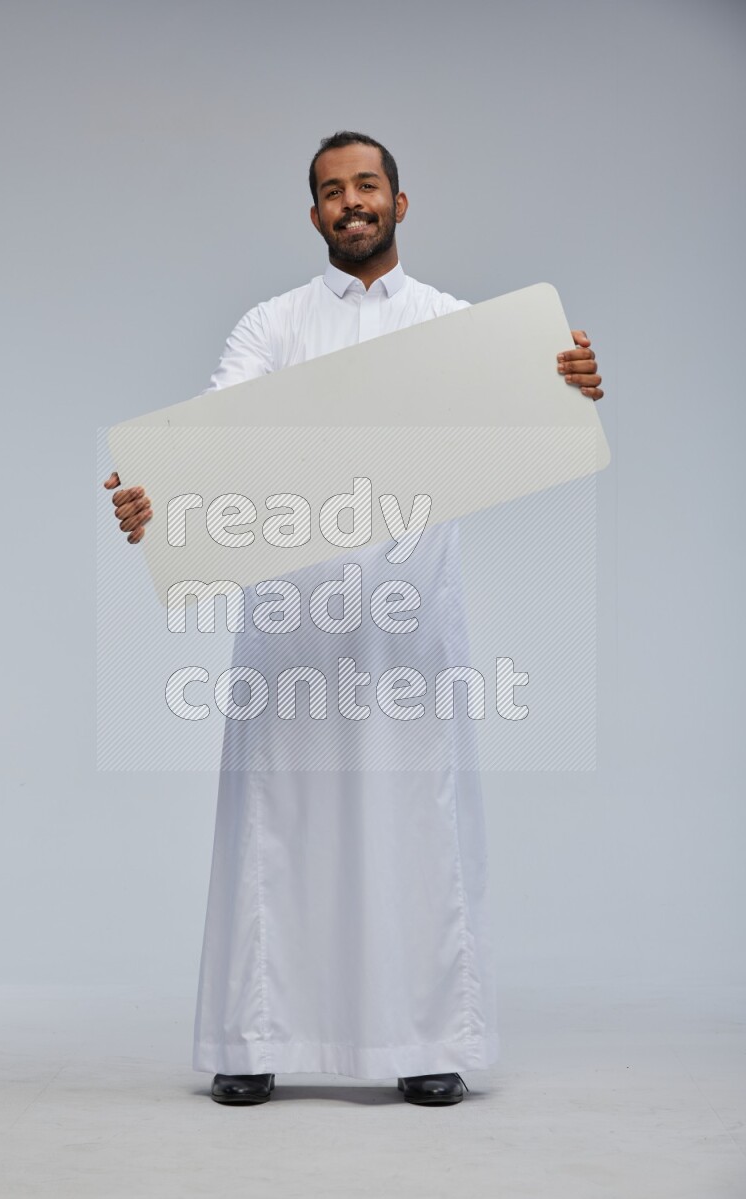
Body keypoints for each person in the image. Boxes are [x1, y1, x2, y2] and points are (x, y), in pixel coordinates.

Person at [104, 131, 603, 1107]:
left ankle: (425, 1040)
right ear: (313, 215)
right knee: (274, 824)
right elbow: (215, 436)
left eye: (366, 184)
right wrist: (156, 495)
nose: (350, 202)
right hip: (290, 626)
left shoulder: (453, 324)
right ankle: (252, 1036)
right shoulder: (272, 326)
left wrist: (566, 382)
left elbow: (528, 404)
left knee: (416, 825)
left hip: (408, 628)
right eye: (331, 191)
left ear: (399, 204)